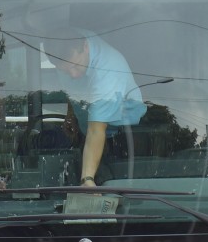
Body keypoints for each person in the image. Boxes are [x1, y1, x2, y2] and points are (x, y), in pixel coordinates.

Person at [45, 29, 147, 187]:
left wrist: (87, 179)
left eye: (75, 66)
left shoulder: (108, 71)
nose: (73, 75)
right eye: (65, 70)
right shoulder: (67, 46)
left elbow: (96, 130)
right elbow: (72, 90)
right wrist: (71, 114)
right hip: (91, 133)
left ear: (85, 46)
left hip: (123, 137)